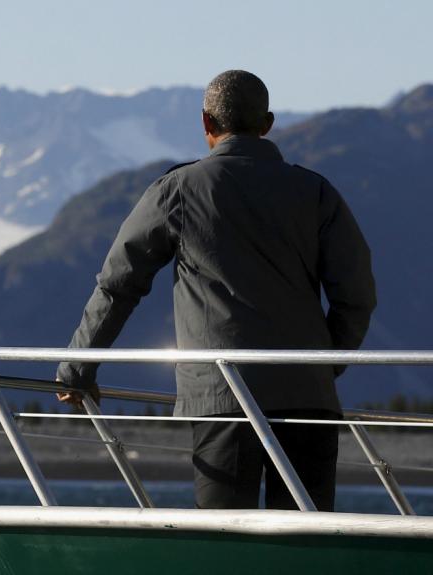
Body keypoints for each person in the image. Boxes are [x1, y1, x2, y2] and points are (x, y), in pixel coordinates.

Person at [55, 70, 376, 511]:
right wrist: (320, 366)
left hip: (222, 400)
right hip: (309, 400)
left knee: (227, 546)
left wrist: (78, 367)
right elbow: (356, 296)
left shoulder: (178, 190)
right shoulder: (317, 192)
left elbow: (119, 284)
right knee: (309, 550)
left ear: (206, 123)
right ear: (268, 123)